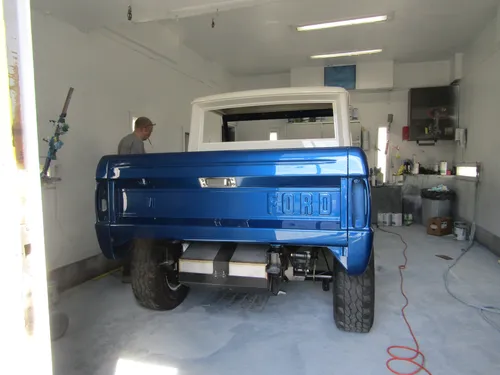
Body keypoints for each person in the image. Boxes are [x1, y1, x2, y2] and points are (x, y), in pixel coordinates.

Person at [117, 116, 155, 283]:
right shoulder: (137, 143)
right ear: (144, 128)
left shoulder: (124, 140)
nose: (149, 135)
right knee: (139, 233)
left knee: (129, 231)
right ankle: (132, 272)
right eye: (150, 132)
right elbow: (140, 169)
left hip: (125, 191)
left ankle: (126, 271)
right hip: (135, 193)